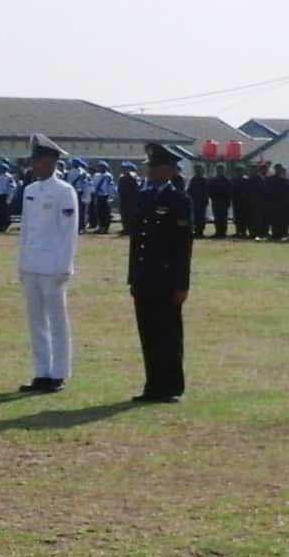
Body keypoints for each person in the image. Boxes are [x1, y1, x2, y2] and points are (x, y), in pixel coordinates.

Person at [128, 142, 193, 403]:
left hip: (167, 279)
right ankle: (153, 384)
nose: (149, 172)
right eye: (149, 167)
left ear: (168, 171)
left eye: (154, 167)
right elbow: (137, 241)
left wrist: (182, 284)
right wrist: (132, 276)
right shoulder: (144, 197)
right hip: (144, 276)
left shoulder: (178, 200)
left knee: (168, 334)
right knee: (148, 333)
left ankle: (171, 387)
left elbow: (183, 246)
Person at [17, 134, 80, 394]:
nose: (35, 165)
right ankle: (41, 372)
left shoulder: (65, 191)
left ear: (52, 162)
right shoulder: (30, 190)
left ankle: (58, 373)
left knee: (56, 321)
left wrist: (64, 266)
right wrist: (21, 263)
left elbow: (69, 232)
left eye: (39, 160)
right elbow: (26, 230)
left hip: (53, 266)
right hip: (32, 264)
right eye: (34, 161)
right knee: (36, 322)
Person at [265, 163, 289, 241]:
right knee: (274, 220)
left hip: (282, 204)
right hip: (273, 203)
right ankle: (275, 233)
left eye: (279, 169)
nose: (278, 170)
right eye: (277, 169)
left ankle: (282, 233)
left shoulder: (285, 180)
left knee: (281, 220)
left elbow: (287, 193)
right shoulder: (270, 179)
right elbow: (267, 192)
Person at [66, 158, 91, 233]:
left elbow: (68, 182)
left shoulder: (72, 172)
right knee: (81, 210)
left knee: (77, 210)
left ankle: (78, 226)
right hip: (80, 192)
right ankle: (81, 227)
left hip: (75, 192)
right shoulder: (83, 172)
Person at [207, 165, 233, 239]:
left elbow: (230, 192)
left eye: (221, 170)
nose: (220, 172)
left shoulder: (227, 180)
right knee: (217, 217)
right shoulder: (213, 180)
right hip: (216, 201)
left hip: (224, 201)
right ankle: (218, 232)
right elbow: (209, 190)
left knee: (223, 218)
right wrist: (213, 197)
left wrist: (228, 201)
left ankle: (223, 233)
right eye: (218, 170)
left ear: (223, 171)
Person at [0, 161, 17, 232]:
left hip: (4, 196)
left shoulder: (9, 177)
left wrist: (9, 197)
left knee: (4, 213)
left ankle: (4, 226)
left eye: (0, 168)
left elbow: (12, 187)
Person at [91, 160, 116, 234]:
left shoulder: (108, 176)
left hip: (106, 196)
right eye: (99, 166)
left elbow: (111, 186)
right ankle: (100, 227)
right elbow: (93, 185)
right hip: (98, 195)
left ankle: (105, 228)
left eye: (102, 167)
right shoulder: (96, 175)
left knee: (106, 213)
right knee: (98, 212)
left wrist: (111, 197)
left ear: (105, 167)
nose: (100, 168)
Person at [117, 161, 141, 236]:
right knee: (124, 214)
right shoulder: (122, 177)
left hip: (132, 199)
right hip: (123, 198)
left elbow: (137, 188)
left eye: (125, 168)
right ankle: (126, 228)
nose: (124, 170)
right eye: (123, 168)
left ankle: (131, 229)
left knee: (131, 214)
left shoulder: (134, 177)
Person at [187, 164, 209, 238]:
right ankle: (196, 231)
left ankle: (200, 232)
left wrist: (205, 200)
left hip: (202, 201)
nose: (197, 171)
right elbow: (189, 191)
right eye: (196, 170)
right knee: (195, 218)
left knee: (201, 217)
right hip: (194, 201)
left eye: (199, 170)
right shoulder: (193, 179)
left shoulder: (204, 180)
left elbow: (206, 191)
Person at [248, 163, 269, 241]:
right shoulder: (252, 179)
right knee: (253, 219)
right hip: (253, 202)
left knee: (261, 219)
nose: (252, 170)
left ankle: (261, 233)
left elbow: (265, 191)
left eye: (265, 169)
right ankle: (254, 233)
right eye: (251, 169)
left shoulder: (263, 178)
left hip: (262, 202)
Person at [230, 165, 250, 238]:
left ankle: (243, 232)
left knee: (244, 217)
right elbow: (231, 190)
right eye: (237, 171)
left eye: (240, 171)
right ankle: (238, 232)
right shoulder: (234, 180)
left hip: (244, 201)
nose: (239, 172)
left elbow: (248, 191)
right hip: (236, 201)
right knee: (237, 217)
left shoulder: (246, 179)